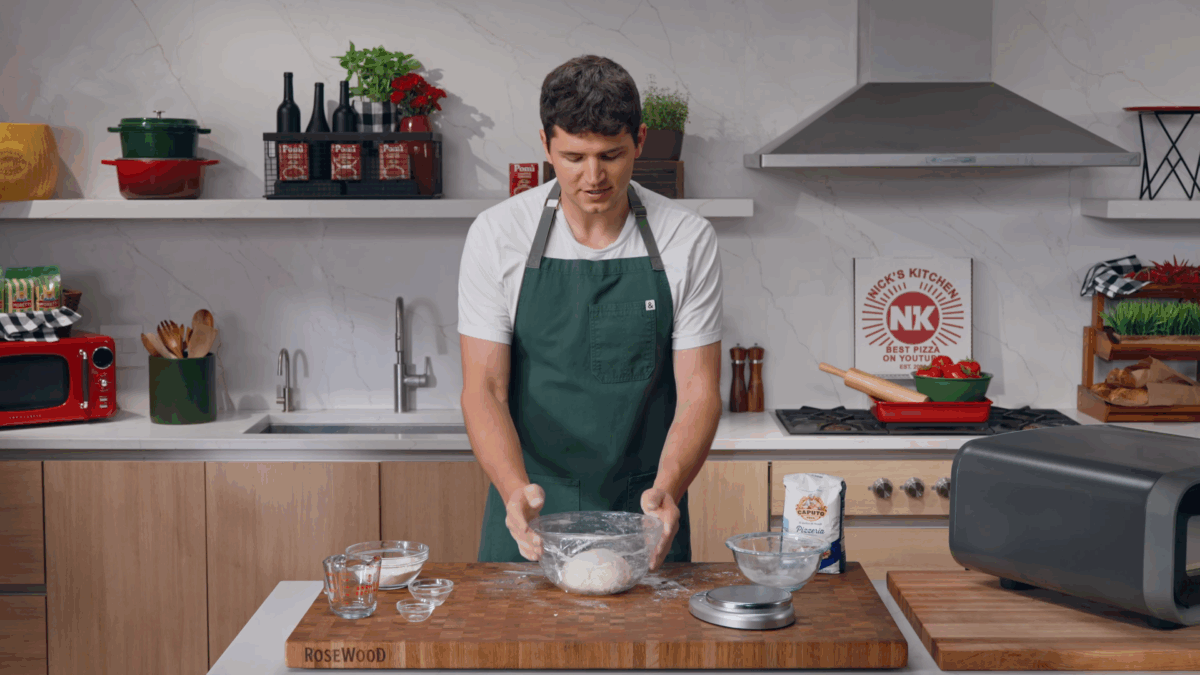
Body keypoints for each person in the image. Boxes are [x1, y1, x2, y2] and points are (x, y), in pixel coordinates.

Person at [457, 55, 723, 570]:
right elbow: (483, 388)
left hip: (644, 515)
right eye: (574, 157)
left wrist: (667, 489)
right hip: (531, 512)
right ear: (545, 145)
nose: (593, 176)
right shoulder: (497, 235)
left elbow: (699, 391)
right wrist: (515, 491)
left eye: (612, 155)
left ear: (640, 141)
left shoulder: (686, 239)